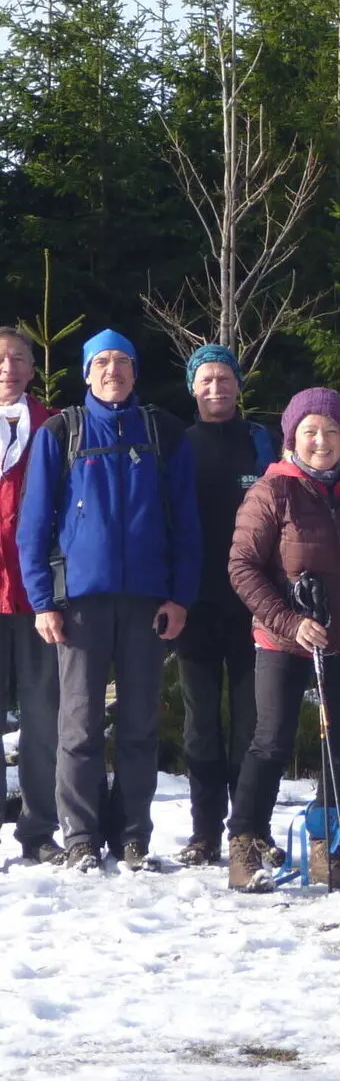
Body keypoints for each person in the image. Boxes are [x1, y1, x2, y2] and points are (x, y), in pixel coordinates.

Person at [17, 329, 201, 872]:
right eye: (102, 362)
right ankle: (80, 836)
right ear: (86, 372)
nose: (112, 370)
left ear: (135, 372)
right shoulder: (61, 432)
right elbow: (34, 526)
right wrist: (43, 600)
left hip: (147, 601)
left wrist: (180, 596)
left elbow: (187, 525)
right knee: (79, 724)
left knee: (141, 721)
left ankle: (133, 834)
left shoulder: (164, 433)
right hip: (80, 603)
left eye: (122, 361)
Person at [226, 388, 340, 892]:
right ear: (293, 436)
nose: (322, 442)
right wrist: (289, 621)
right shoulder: (274, 490)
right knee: (270, 741)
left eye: (333, 431)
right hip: (283, 641)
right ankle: (246, 843)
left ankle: (329, 846)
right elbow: (242, 567)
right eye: (311, 431)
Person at [174, 344, 276, 866]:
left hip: (253, 606)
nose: (216, 388)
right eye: (206, 380)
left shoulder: (259, 442)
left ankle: (249, 827)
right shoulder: (179, 444)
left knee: (251, 725)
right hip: (194, 605)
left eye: (225, 379)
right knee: (200, 726)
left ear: (239, 385)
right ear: (193, 387)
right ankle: (204, 831)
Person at [0, 328, 62, 863]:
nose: (8, 368)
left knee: (43, 717)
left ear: (33, 369)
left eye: (19, 359)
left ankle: (39, 831)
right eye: (0, 360)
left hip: (39, 594)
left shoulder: (56, 425)